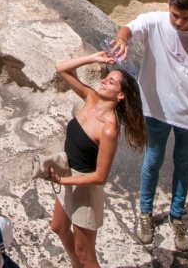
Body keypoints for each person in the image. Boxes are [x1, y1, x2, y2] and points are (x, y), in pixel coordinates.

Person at [112, 0, 188, 252]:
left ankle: (177, 215)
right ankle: (145, 214)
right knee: (153, 161)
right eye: (175, 15)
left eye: (185, 17)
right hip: (156, 108)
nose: (179, 22)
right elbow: (128, 29)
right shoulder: (156, 21)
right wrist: (122, 40)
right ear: (168, 5)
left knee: (183, 165)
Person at [49, 52, 146, 268]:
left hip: (84, 188)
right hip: (66, 175)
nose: (104, 81)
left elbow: (100, 177)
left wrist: (63, 181)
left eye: (111, 82)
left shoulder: (109, 129)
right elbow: (61, 67)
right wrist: (95, 58)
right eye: (106, 77)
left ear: (120, 95)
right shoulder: (90, 98)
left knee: (86, 255)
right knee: (58, 227)